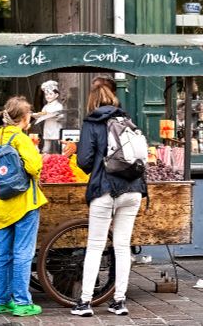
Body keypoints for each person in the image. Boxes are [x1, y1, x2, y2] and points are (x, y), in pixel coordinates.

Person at [72, 75, 147, 316]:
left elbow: (83, 160)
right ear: (114, 95)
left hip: (104, 188)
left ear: (92, 98)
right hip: (133, 188)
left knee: (95, 246)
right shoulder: (127, 119)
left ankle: (85, 303)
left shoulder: (92, 123)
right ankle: (119, 301)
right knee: (122, 246)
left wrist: (93, 167)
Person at [0, 96, 47, 317]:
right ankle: (21, 303)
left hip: (1, 205)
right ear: (24, 118)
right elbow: (34, 165)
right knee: (23, 253)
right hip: (24, 203)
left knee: (1, 252)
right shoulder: (20, 139)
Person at [34, 80, 65, 154]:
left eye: (50, 94)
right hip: (48, 127)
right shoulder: (45, 106)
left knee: (60, 145)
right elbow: (42, 114)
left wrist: (59, 116)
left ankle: (62, 158)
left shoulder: (59, 106)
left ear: (56, 95)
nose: (48, 96)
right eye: (46, 94)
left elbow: (62, 115)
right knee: (46, 147)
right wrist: (36, 115)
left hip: (56, 127)